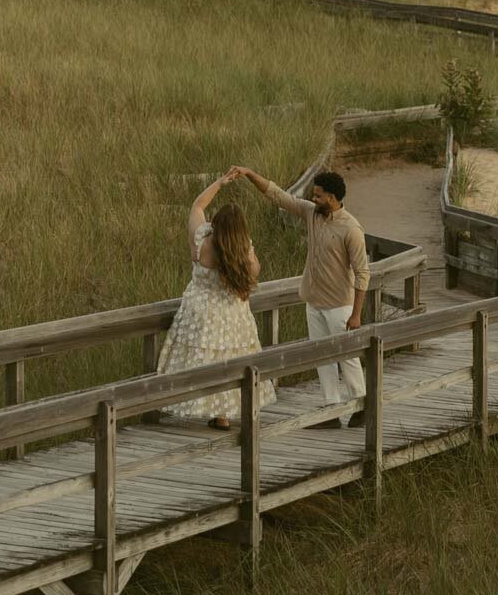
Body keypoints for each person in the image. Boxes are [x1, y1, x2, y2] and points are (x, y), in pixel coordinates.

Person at [226, 165, 369, 428]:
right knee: (320, 358)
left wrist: (357, 314)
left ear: (333, 198)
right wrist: (248, 173)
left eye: (318, 196)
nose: (313, 199)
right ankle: (331, 412)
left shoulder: (352, 229)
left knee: (347, 358)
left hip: (340, 306)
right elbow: (278, 195)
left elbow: (362, 274)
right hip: (314, 302)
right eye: (313, 195)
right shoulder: (312, 214)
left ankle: (362, 407)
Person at [156, 175, 276, 429]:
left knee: (201, 359)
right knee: (230, 361)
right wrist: (247, 250)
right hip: (232, 314)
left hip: (200, 311)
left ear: (216, 223)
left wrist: (220, 182)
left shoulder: (202, 239)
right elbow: (254, 273)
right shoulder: (243, 251)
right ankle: (222, 414)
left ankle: (196, 405)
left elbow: (197, 206)